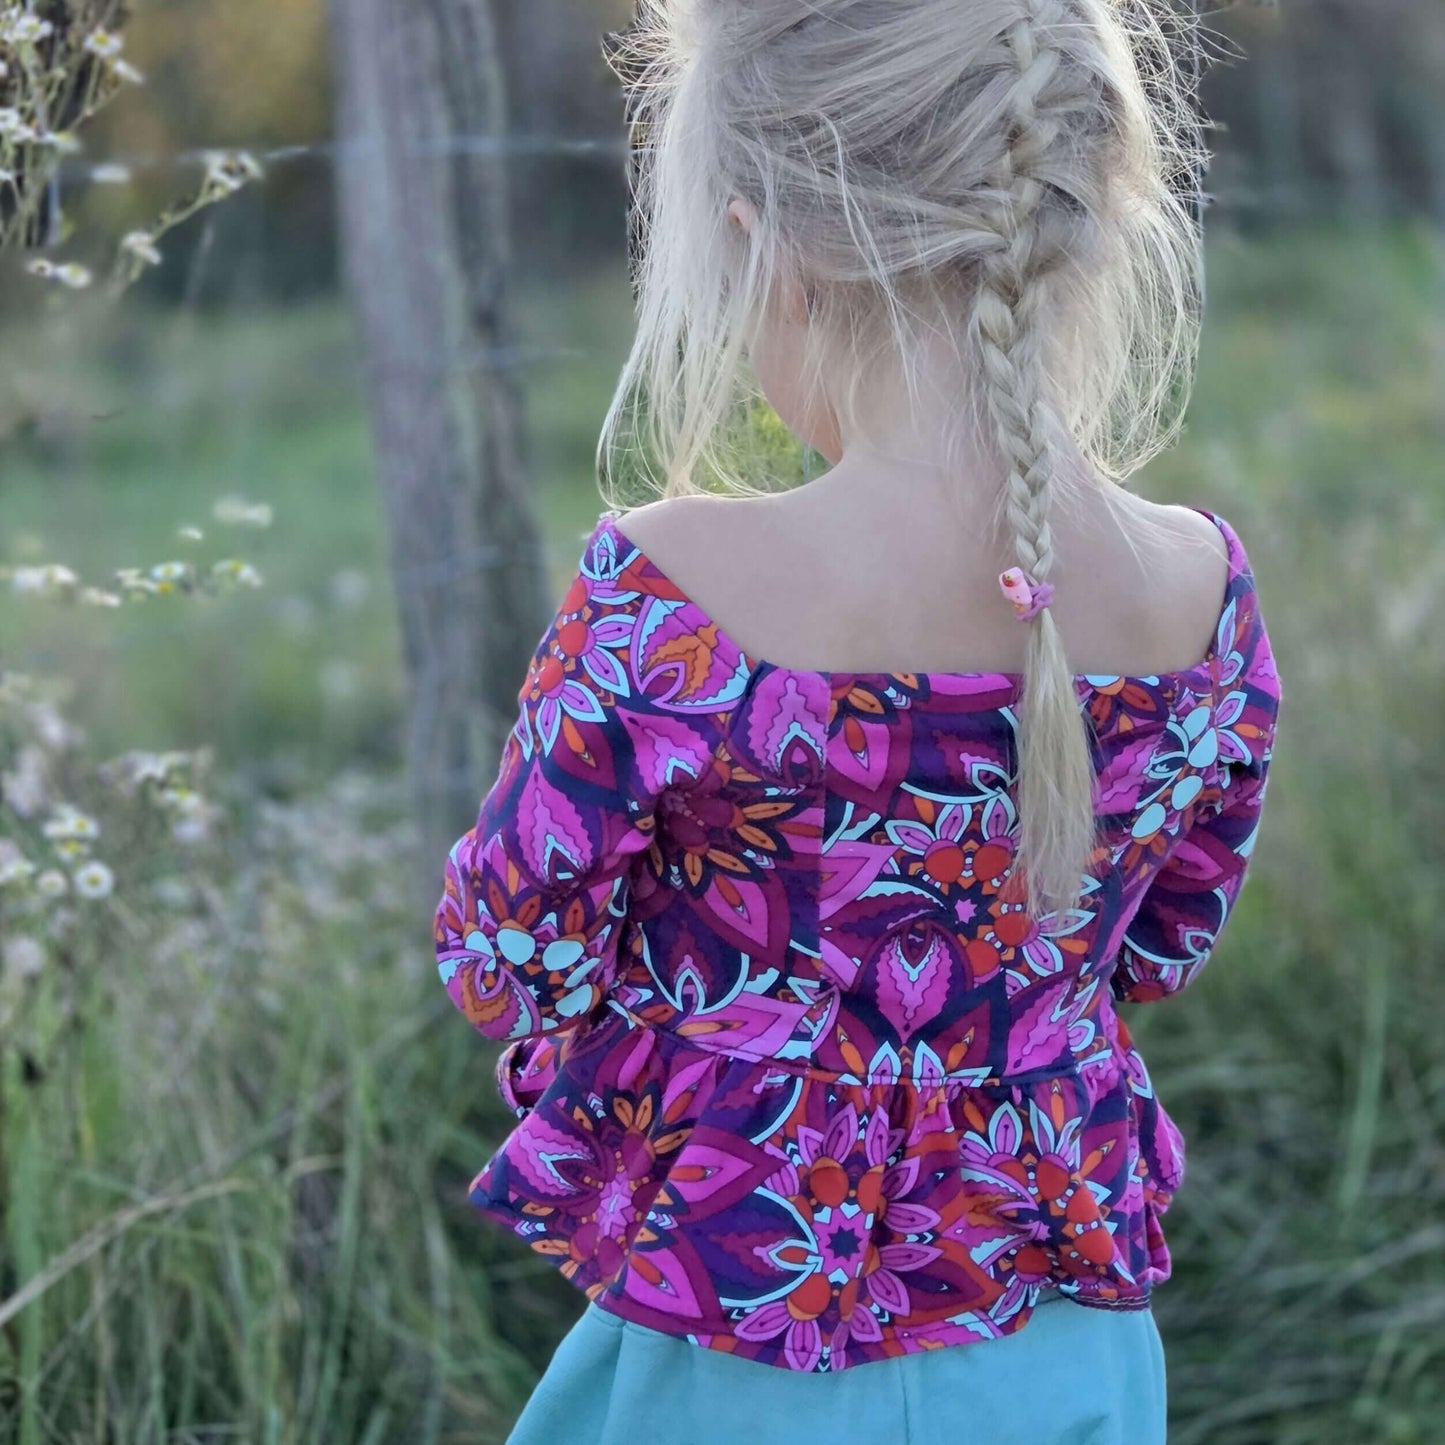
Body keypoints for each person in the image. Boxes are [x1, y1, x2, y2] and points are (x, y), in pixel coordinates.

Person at [433, 2, 1284, 1440]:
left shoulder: (674, 591)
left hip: (740, 1331)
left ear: (771, 245)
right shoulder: (1199, 591)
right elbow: (1160, 939)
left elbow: (510, 945)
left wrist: (684, 1063)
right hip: (1062, 1343)